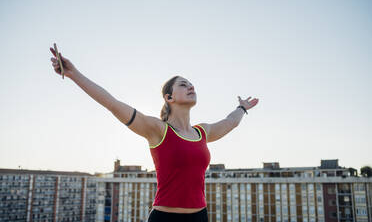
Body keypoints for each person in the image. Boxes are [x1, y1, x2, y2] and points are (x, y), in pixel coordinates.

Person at [49, 47, 259, 222]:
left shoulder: (202, 132)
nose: (190, 86)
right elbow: (112, 103)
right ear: (169, 97)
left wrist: (242, 108)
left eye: (191, 84)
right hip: (164, 218)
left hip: (200, 217)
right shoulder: (158, 130)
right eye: (183, 84)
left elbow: (230, 122)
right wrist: (73, 74)